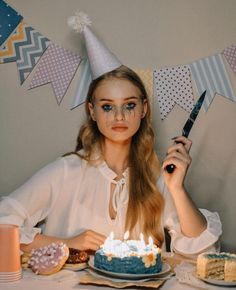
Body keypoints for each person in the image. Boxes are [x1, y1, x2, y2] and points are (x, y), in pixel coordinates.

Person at [0, 65, 221, 256]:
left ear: (144, 109)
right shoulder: (65, 171)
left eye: (129, 105)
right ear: (92, 111)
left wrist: (177, 188)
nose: (119, 116)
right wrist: (67, 244)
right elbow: (3, 228)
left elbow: (203, 252)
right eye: (107, 106)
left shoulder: (158, 175)